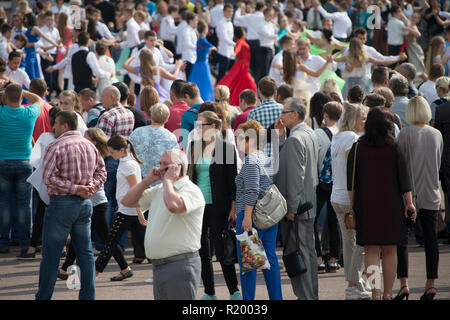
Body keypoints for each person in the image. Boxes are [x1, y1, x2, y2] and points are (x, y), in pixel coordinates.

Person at [36, 110, 107, 300]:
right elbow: (102, 172)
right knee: (85, 253)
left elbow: (48, 178)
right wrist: (90, 187)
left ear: (65, 125)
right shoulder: (89, 145)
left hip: (62, 204)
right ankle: (88, 296)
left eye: (56, 124)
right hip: (84, 203)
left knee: (51, 255)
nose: (54, 127)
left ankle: (43, 297)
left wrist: (78, 188)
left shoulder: (56, 146)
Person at [348, 106, 416, 300]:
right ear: (388, 126)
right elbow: (405, 180)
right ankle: (388, 293)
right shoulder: (394, 147)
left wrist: (352, 205)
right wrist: (409, 203)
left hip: (366, 205)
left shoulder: (358, 147)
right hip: (391, 206)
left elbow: (350, 182)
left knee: (370, 250)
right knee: (390, 250)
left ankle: (375, 293)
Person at [121, 149, 206, 300]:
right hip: (160, 266)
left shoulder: (191, 190)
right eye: (160, 163)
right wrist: (147, 181)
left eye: (165, 164)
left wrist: (168, 181)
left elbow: (174, 206)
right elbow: (128, 201)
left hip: (180, 265)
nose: (160, 168)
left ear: (178, 167)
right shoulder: (160, 190)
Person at [187, 111, 241, 300]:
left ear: (212, 126)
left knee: (222, 250)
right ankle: (209, 292)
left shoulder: (225, 148)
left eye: (200, 125)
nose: (197, 129)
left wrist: (234, 207)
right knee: (202, 250)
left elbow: (234, 180)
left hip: (220, 206)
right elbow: (190, 176)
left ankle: (234, 291)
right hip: (198, 207)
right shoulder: (194, 146)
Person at [396, 96, 442, 300]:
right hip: (431, 191)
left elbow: (400, 165)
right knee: (431, 240)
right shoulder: (437, 134)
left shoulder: (405, 134)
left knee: (402, 240)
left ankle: (404, 283)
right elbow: (438, 163)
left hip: (409, 194)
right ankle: (430, 283)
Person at [57, 128, 120, 280]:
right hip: (92, 201)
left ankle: (124, 266)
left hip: (96, 202)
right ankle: (65, 269)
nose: (82, 140)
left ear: (94, 141)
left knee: (105, 238)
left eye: (86, 138)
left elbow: (101, 179)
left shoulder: (96, 156)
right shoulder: (93, 154)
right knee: (82, 235)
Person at [273, 97, 319, 300]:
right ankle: (311, 296)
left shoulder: (296, 138)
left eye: (284, 112)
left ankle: (306, 297)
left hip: (298, 208)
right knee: (307, 254)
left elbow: (294, 178)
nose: (280, 115)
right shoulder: (308, 133)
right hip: (308, 204)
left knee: (298, 256)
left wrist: (290, 208)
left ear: (294, 114)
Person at [234, 120, 283, 300]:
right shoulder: (265, 157)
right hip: (268, 216)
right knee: (270, 260)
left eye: (240, 138)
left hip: (251, 216)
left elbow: (252, 190)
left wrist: (246, 217)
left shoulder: (251, 160)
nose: (237, 141)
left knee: (249, 264)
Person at [330, 102, 371, 300]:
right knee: (361, 244)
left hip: (337, 197)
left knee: (350, 244)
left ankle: (353, 285)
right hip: (349, 199)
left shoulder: (338, 136)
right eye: (362, 118)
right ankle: (354, 284)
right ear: (353, 119)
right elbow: (355, 169)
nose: (365, 122)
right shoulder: (352, 139)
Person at [95, 135, 147, 281]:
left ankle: (94, 273)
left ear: (122, 150)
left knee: (109, 243)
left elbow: (136, 189)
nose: (111, 155)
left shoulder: (128, 165)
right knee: (111, 242)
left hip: (128, 210)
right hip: (128, 208)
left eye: (112, 152)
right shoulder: (128, 162)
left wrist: (139, 213)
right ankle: (124, 269)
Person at [0, 84, 44, 255]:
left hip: (3, 162)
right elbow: (39, 100)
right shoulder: (29, 113)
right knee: (24, 205)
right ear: (21, 98)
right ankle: (25, 243)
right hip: (25, 161)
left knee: (3, 203)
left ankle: (3, 242)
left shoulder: (2, 113)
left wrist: (3, 92)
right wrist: (24, 92)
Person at [313, 101, 343, 273]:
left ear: (325, 115)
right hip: (337, 183)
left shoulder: (317, 133)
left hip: (320, 182)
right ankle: (333, 259)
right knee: (335, 221)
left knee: (313, 220)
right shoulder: (343, 133)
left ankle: (318, 258)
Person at [335, 38, 405, 99]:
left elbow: (333, 59)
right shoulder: (366, 58)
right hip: (364, 82)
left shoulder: (348, 58)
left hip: (350, 83)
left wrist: (339, 52)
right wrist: (398, 58)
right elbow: (384, 62)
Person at [130, 103, 179, 179]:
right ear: (167, 119)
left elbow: (128, 152)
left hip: (138, 178)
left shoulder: (137, 132)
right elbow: (175, 161)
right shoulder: (170, 137)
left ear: (151, 116)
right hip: (159, 180)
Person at [217, 27, 257, 107]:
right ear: (241, 33)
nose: (245, 33)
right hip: (241, 66)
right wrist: (235, 53)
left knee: (239, 83)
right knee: (248, 83)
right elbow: (238, 47)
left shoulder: (242, 41)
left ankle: (246, 101)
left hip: (244, 66)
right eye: (244, 31)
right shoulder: (241, 41)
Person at [23, 12, 60, 80]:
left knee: (33, 73)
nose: (24, 20)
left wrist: (55, 44)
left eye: (25, 19)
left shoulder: (34, 28)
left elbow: (45, 37)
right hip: (28, 52)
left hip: (32, 53)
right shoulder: (27, 29)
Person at [188, 19, 216, 102]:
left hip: (200, 64)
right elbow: (209, 45)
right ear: (205, 29)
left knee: (201, 83)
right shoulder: (202, 39)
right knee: (204, 83)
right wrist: (213, 47)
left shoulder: (200, 39)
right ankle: (203, 98)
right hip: (202, 65)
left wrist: (208, 50)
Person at [256, 8, 278, 83]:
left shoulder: (271, 24)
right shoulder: (261, 25)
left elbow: (274, 32)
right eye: (270, 15)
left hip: (271, 48)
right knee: (263, 70)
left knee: (269, 69)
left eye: (272, 15)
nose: (271, 17)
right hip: (264, 49)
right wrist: (277, 36)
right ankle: (259, 87)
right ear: (265, 15)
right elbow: (268, 35)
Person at [180, 82, 204, 149]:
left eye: (185, 100)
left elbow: (184, 143)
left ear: (187, 96)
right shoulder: (213, 109)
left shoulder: (187, 115)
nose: (186, 103)